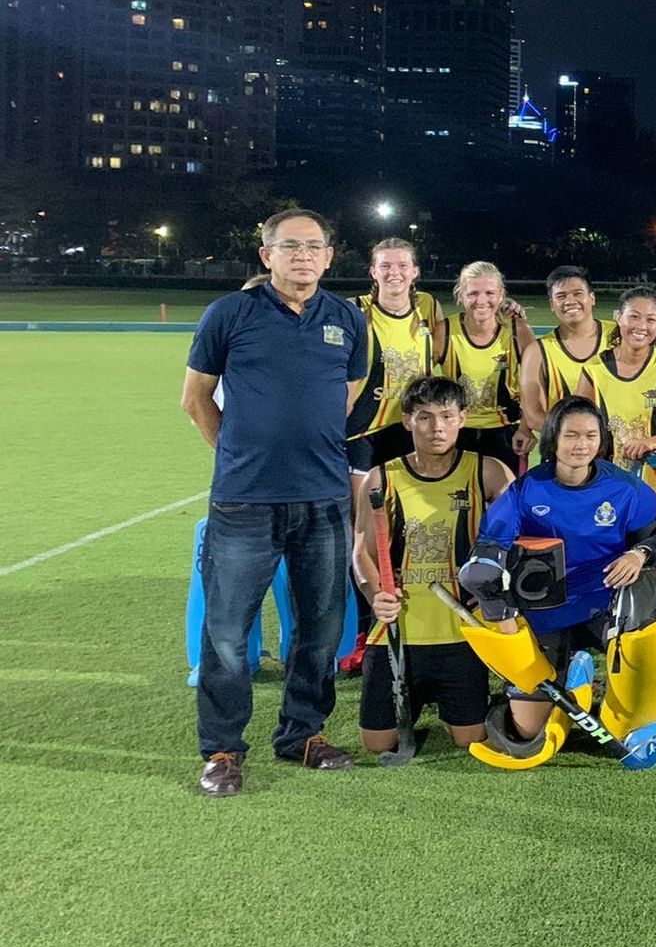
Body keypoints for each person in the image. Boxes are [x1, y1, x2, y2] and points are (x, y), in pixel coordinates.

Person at [182, 207, 369, 796]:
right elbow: (196, 398)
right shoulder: (229, 313)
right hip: (245, 502)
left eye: (314, 246)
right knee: (227, 634)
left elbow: (345, 396)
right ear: (267, 256)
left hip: (323, 499)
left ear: (329, 257)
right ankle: (222, 750)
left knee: (321, 628)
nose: (303, 256)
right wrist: (240, 454)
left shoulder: (347, 318)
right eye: (290, 246)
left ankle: (302, 734)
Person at [467, 397, 656, 748]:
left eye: (590, 436)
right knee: (527, 732)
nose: (581, 445)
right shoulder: (526, 490)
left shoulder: (625, 489)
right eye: (571, 435)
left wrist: (638, 554)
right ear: (553, 437)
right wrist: (483, 573)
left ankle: (623, 701)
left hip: (608, 604)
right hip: (545, 609)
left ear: (601, 439)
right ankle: (572, 685)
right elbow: (490, 543)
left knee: (648, 601)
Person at [352, 375, 512, 754]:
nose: (436, 427)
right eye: (424, 417)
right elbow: (361, 552)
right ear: (407, 421)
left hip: (461, 633)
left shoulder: (487, 472)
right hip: (398, 633)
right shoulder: (380, 478)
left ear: (462, 418)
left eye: (446, 416)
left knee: (469, 739)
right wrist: (375, 595)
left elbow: (517, 539)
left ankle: (495, 702)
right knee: (378, 744)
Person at [346, 237, 438, 496]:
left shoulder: (427, 306)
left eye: (402, 265)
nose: (394, 272)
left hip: (410, 428)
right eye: (385, 266)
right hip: (362, 430)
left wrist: (508, 307)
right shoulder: (354, 310)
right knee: (363, 509)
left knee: (407, 507)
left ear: (415, 271)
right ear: (373, 272)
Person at [578, 285, 656, 505]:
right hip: (609, 485)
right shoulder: (594, 369)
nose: (642, 326)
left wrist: (652, 442)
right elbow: (578, 426)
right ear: (619, 318)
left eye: (650, 320)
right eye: (634, 317)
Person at [434, 260, 534, 468]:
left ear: (501, 295)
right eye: (473, 293)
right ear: (460, 295)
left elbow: (535, 383)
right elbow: (424, 383)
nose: (481, 301)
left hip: (506, 431)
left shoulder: (517, 329)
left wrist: (526, 428)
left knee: (505, 490)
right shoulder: (445, 331)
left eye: (489, 293)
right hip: (457, 432)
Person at [517, 266, 618, 449]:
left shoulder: (618, 335)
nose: (570, 301)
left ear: (592, 298)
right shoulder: (538, 351)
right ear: (551, 304)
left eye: (577, 293)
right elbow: (533, 415)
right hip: (563, 451)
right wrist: (579, 438)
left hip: (618, 449)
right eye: (561, 296)